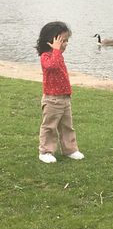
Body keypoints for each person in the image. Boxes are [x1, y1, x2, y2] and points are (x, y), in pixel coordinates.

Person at [36, 21, 84, 163]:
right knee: (49, 126)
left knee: (67, 126)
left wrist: (57, 51)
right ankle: (46, 151)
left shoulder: (58, 55)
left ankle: (70, 149)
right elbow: (52, 66)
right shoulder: (46, 56)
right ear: (52, 40)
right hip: (52, 100)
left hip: (64, 99)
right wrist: (56, 50)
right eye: (63, 40)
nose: (66, 44)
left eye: (67, 41)